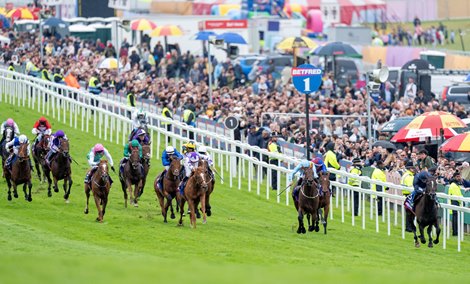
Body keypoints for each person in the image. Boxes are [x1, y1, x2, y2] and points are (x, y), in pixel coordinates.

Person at [448, 172, 469, 236]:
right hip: (455, 202)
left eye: (459, 176)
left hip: (455, 201)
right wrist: (463, 201)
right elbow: (457, 195)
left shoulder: (455, 184)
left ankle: (455, 232)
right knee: (455, 218)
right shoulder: (454, 185)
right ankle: (455, 232)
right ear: (454, 177)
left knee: (455, 218)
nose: (459, 178)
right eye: (457, 176)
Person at [401, 161, 417, 231]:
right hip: (409, 195)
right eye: (413, 168)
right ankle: (409, 227)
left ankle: (409, 227)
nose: (414, 169)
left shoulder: (406, 175)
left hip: (406, 194)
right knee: (410, 212)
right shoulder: (409, 176)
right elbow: (412, 188)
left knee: (409, 212)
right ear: (410, 168)